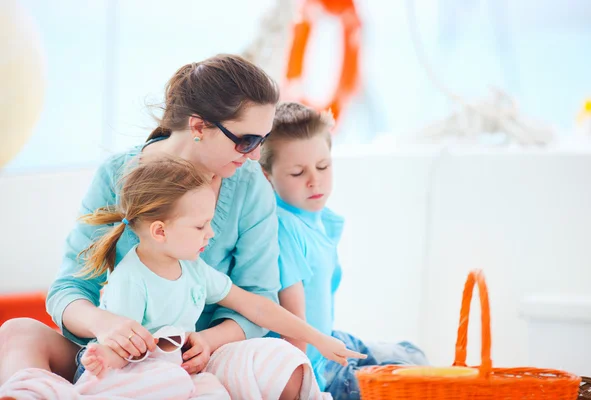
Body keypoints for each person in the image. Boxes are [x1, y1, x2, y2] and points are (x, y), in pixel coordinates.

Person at [0, 55, 307, 399]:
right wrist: (106, 325)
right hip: (114, 360)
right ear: (198, 126)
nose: (253, 155)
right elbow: (70, 289)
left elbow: (257, 298)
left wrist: (205, 341)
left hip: (199, 359)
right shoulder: (116, 175)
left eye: (262, 141)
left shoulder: (250, 187)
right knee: (16, 332)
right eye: (246, 140)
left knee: (286, 366)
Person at [78, 156, 364, 379]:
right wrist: (99, 360)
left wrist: (318, 339)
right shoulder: (131, 279)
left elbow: (258, 307)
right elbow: (118, 353)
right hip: (128, 375)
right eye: (201, 225)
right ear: (160, 232)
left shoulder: (194, 270)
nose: (211, 233)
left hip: (175, 375)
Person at [260, 102, 429, 399]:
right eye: (298, 173)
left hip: (332, 343)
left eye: (323, 166)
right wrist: (304, 389)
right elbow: (294, 326)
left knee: (413, 356)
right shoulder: (284, 230)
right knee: (413, 388)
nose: (315, 180)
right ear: (267, 175)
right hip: (316, 368)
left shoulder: (320, 219)